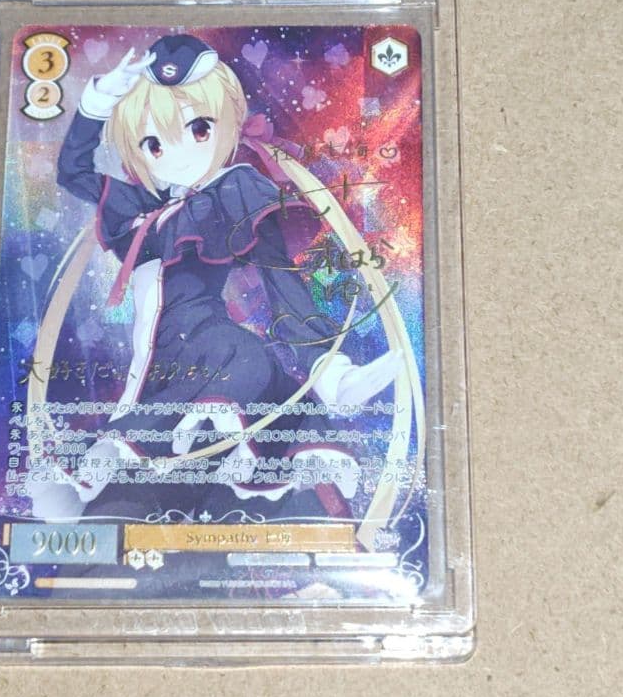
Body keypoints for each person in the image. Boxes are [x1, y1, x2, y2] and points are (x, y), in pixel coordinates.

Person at [51, 34, 401, 521]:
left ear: (229, 125)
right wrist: (99, 102)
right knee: (129, 487)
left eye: (198, 129)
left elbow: (280, 279)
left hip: (211, 346)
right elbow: (72, 171)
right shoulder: (138, 205)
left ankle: (330, 374)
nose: (174, 152)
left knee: (250, 366)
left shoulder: (231, 190)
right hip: (159, 368)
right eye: (153, 143)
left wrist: (327, 366)